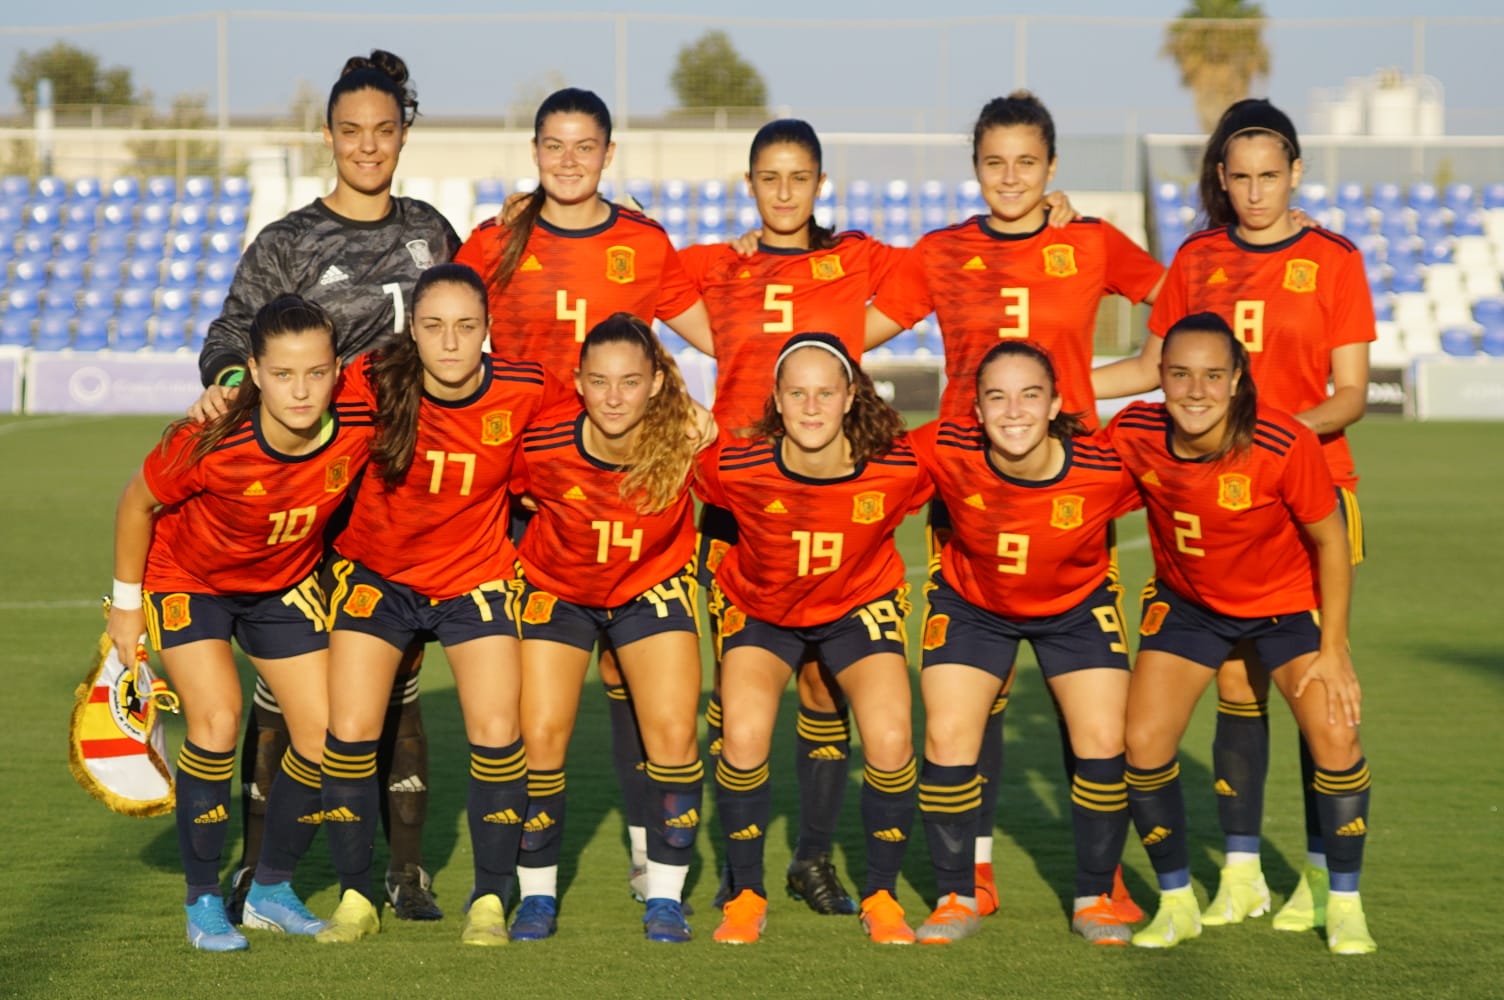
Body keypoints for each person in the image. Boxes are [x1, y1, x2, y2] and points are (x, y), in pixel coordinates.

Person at [867, 90, 1164, 916]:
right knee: (974, 692)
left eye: (1026, 163)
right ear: (975, 168)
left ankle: (1097, 879)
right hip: (967, 485)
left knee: (1088, 698)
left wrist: (1093, 392)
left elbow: (1182, 315)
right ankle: (977, 868)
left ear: (1053, 168)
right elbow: (850, 329)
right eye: (994, 163)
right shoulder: (942, 251)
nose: (1010, 178)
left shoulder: (1091, 241)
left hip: (1067, 484)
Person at [190, 49, 461, 923]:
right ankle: (260, 869)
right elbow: (231, 337)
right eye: (352, 131)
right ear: (329, 137)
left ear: (403, 134)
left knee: (399, 686)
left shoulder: (433, 231)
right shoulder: (288, 243)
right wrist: (230, 383)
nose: (368, 146)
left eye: (384, 130)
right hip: (313, 502)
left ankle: (403, 871)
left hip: (409, 495)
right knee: (287, 695)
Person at [1094, 98, 1375, 934]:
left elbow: (1351, 395)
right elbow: (1151, 366)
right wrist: (1051, 394)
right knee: (1232, 687)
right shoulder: (1196, 257)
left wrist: (1261, 439)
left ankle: (1324, 880)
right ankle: (1243, 872)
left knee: (1313, 685)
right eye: (1240, 177)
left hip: (1310, 485)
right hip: (1209, 498)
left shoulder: (1332, 259)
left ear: (1294, 174)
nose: (1255, 193)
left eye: (1269, 176)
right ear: (1221, 178)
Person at [455, 86, 718, 902]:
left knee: (633, 675)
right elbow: (444, 334)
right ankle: (494, 874)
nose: (568, 161)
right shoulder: (494, 240)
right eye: (553, 146)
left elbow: (717, 329)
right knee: (533, 696)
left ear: (608, 153)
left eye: (584, 146)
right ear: (534, 152)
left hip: (626, 480)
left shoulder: (642, 240)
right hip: (523, 481)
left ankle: (650, 853)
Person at [677, 118, 913, 914]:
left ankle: (811, 859)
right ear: (750, 186)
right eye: (769, 178)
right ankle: (732, 862)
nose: (784, 193)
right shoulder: (721, 263)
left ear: (820, 183)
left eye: (799, 178)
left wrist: (855, 332)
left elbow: (932, 279)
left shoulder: (851, 258)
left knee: (823, 689)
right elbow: (640, 277)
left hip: (825, 489)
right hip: (738, 496)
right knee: (738, 694)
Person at [314, 263, 571, 946]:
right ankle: (356, 899)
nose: (451, 343)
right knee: (348, 734)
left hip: (473, 578)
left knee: (496, 731)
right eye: (433, 327)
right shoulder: (370, 381)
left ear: (488, 330)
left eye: (465, 327)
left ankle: (489, 898)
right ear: (412, 331)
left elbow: (597, 425)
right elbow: (296, 403)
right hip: (379, 577)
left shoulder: (527, 387)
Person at [108, 295, 375, 950]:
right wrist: (124, 604)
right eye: (282, 374)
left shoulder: (360, 427)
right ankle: (202, 900)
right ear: (252, 372)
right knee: (218, 719)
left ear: (338, 368)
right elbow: (137, 503)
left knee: (325, 736)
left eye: (315, 372)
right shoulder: (208, 437)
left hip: (280, 585)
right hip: (189, 582)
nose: (301, 389)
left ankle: (270, 889)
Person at [1109, 313, 1374, 956]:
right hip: (1190, 606)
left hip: (1284, 608)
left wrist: (1334, 648)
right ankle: (1177, 901)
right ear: (1159, 380)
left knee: (1335, 733)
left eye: (1212, 376)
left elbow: (1330, 541)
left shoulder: (1284, 443)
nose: (1195, 391)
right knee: (1142, 743)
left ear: (1236, 382)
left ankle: (1341, 901)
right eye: (1179, 375)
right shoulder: (1133, 433)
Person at [695, 332, 932, 946]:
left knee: (889, 735)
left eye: (826, 392)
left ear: (852, 396)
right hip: (762, 607)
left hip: (857, 606)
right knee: (743, 733)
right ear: (775, 398)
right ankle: (745, 893)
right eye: (796, 393)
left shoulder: (899, 466)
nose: (810, 407)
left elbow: (972, 456)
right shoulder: (736, 465)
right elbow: (671, 472)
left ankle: (881, 894)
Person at [905, 341, 1142, 945]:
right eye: (997, 397)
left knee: (1103, 738)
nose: (1014, 411)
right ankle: (957, 895)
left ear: (1057, 402)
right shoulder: (943, 446)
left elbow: (1190, 479)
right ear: (976, 410)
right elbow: (856, 463)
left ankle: (1094, 896)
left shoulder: (1104, 465)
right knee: (948, 733)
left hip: (1076, 609)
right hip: (973, 606)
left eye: (1030, 395)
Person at [507, 314, 708, 943]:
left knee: (674, 734)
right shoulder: (539, 444)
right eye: (599, 382)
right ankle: (536, 896)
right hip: (558, 590)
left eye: (629, 381)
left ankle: (666, 897)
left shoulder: (687, 438)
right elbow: (504, 498)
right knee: (539, 736)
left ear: (655, 383)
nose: (614, 397)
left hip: (649, 587)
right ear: (578, 383)